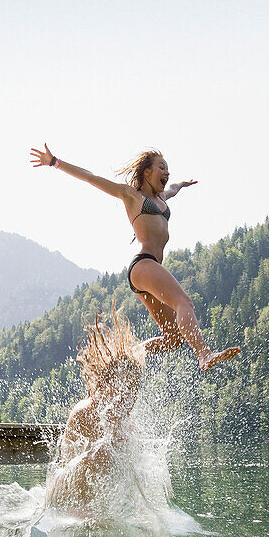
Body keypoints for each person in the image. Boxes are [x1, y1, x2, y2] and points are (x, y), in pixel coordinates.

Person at [30, 144, 240, 371]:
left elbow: (173, 189)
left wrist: (181, 185)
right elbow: (91, 177)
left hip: (148, 272)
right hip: (143, 264)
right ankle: (204, 354)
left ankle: (130, 355)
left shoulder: (162, 197)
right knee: (184, 302)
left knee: (174, 339)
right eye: (162, 167)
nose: (167, 173)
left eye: (168, 169)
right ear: (147, 172)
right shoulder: (131, 195)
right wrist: (55, 162)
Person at [45, 307, 145, 512]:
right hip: (69, 505)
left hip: (98, 507)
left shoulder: (125, 422)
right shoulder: (85, 414)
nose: (130, 398)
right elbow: (74, 485)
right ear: (107, 386)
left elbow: (132, 480)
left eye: (134, 390)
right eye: (125, 389)